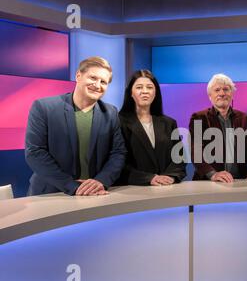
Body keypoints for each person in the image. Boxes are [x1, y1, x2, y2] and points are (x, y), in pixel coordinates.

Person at [25, 56, 126, 196]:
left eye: (103, 81)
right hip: (50, 194)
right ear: (78, 76)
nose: (97, 85)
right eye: (93, 78)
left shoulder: (111, 112)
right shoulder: (44, 107)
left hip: (95, 193)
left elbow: (118, 153)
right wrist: (72, 186)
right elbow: (35, 153)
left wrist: (101, 181)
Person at [189, 73, 247, 183]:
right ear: (210, 96)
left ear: (232, 94)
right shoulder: (199, 118)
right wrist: (213, 174)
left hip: (241, 181)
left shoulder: (246, 119)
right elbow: (196, 152)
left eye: (226, 89)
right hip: (208, 182)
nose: (222, 93)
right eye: (217, 90)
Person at [118, 70, 186, 186]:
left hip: (166, 189)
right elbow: (118, 162)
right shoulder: (118, 122)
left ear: (155, 93)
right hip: (134, 190)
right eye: (139, 87)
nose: (145, 91)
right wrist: (149, 178)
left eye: (149, 87)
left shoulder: (169, 123)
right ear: (130, 92)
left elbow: (179, 158)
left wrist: (170, 176)